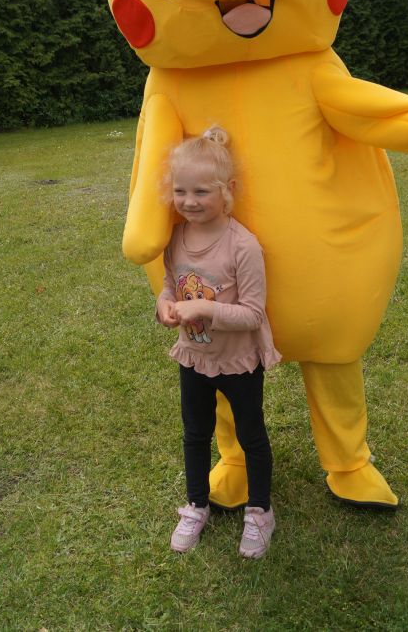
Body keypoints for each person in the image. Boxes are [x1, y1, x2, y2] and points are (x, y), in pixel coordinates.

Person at [156, 126, 281, 558]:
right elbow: (169, 284)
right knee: (195, 433)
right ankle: (196, 504)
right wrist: (164, 304)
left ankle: (260, 511)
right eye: (180, 191)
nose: (189, 201)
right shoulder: (175, 237)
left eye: (201, 192)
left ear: (228, 190)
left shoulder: (243, 246)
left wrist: (204, 309)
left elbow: (254, 314)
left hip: (238, 360)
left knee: (251, 435)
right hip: (193, 356)